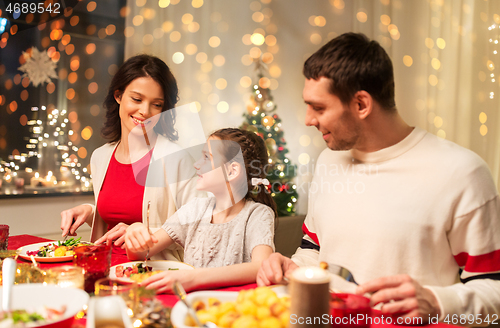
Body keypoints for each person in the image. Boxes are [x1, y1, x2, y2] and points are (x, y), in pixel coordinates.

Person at [257, 32, 500, 324]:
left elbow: (493, 287)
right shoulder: (329, 160)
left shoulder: (462, 173)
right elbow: (315, 251)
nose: (308, 119)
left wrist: (438, 302)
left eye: (319, 107)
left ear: (361, 104)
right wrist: (290, 265)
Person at [60, 54, 201, 260]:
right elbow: (114, 223)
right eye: (137, 99)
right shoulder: (100, 157)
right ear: (118, 96)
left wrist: (142, 234)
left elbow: (198, 227)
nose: (145, 111)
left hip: (152, 274)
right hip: (104, 268)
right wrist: (91, 212)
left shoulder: (175, 158)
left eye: (157, 104)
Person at [124, 128, 278, 293]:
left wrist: (194, 278)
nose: (196, 164)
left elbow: (261, 266)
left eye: (206, 158)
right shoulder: (195, 209)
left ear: (231, 171)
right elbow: (140, 255)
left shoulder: (258, 214)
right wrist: (134, 233)